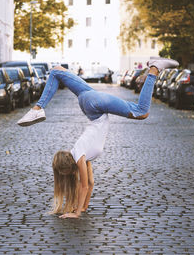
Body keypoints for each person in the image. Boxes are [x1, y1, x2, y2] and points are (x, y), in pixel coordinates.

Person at [17, 58, 179, 219]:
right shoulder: (82, 155)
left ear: (68, 168)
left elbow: (84, 185)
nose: (66, 176)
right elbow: (91, 183)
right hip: (89, 101)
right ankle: (38, 108)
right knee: (56, 70)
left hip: (94, 106)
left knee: (141, 111)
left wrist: (77, 213)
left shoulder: (79, 155)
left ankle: (154, 69)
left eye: (64, 173)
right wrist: (84, 207)